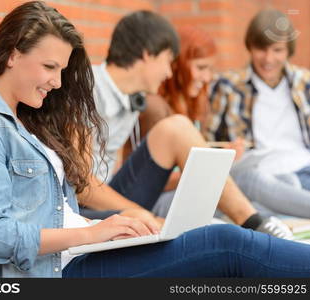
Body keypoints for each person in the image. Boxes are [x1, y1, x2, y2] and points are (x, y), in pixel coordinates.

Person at [0, 1, 310, 278]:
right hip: (60, 271)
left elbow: (59, 213)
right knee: (227, 245)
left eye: (61, 69)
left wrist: (109, 230)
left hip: (82, 251)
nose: (57, 82)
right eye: (49, 67)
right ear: (13, 54)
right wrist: (94, 232)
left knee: (217, 245)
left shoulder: (27, 121)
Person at [80, 12, 292, 238]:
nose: (168, 72)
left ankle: (255, 223)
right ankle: (253, 226)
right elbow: (82, 185)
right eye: (167, 61)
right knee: (177, 129)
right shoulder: (85, 89)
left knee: (177, 129)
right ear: (148, 55)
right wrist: (142, 215)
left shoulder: (132, 97)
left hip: (110, 195)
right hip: (83, 211)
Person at [207, 9, 310, 219]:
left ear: (288, 51)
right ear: (250, 47)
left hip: (304, 170)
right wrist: (228, 152)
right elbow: (208, 144)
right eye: (261, 49)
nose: (268, 58)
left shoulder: (304, 83)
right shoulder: (227, 86)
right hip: (260, 176)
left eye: (277, 50)